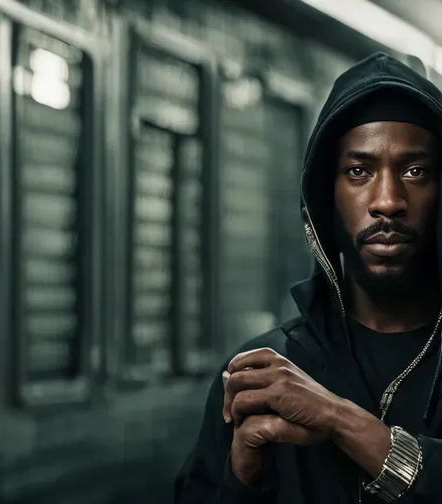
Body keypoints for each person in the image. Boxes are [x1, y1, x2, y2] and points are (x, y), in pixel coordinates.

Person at [174, 52, 442, 504]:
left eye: (415, 171)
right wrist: (243, 481)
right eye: (359, 171)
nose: (388, 201)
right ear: (325, 199)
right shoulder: (261, 371)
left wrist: (340, 421)